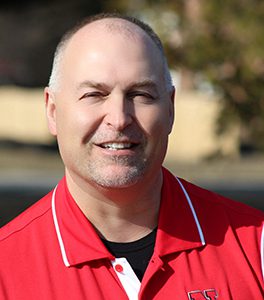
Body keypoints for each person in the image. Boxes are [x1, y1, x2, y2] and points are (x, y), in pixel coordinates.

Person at [0, 13, 263, 300]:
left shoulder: (256, 246)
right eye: (94, 95)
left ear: (170, 109)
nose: (119, 118)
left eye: (141, 94)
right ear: (52, 111)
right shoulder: (6, 268)